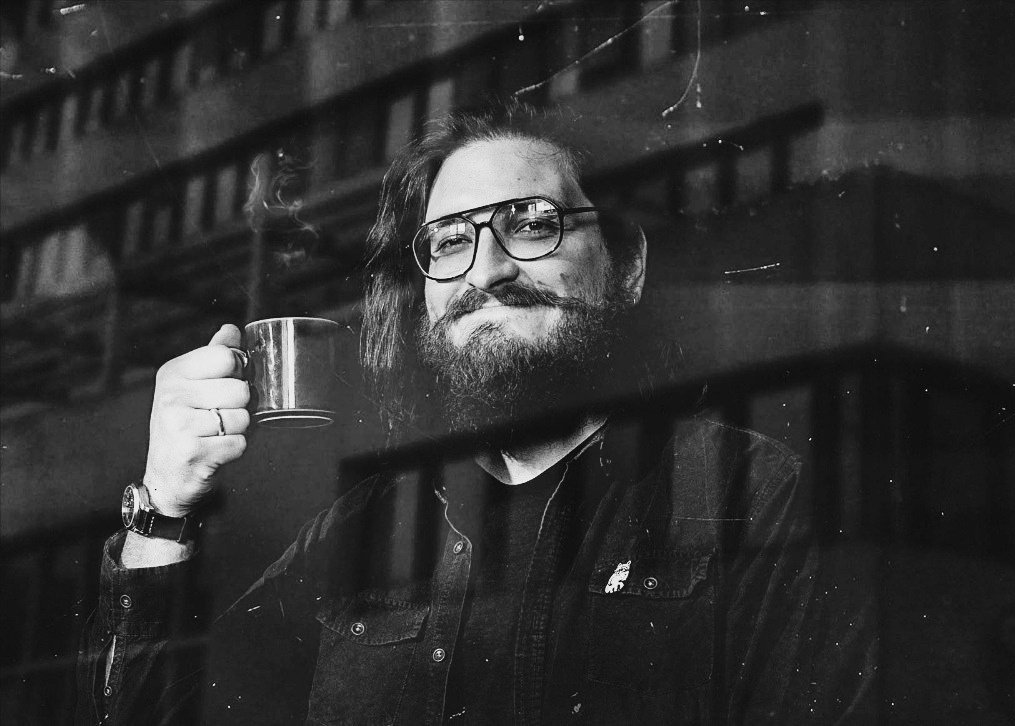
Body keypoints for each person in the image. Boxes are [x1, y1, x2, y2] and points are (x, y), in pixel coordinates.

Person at [77, 102, 876, 724]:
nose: (485, 271)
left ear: (626, 266)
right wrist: (164, 507)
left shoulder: (745, 492)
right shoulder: (361, 530)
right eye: (450, 241)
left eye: (532, 224)